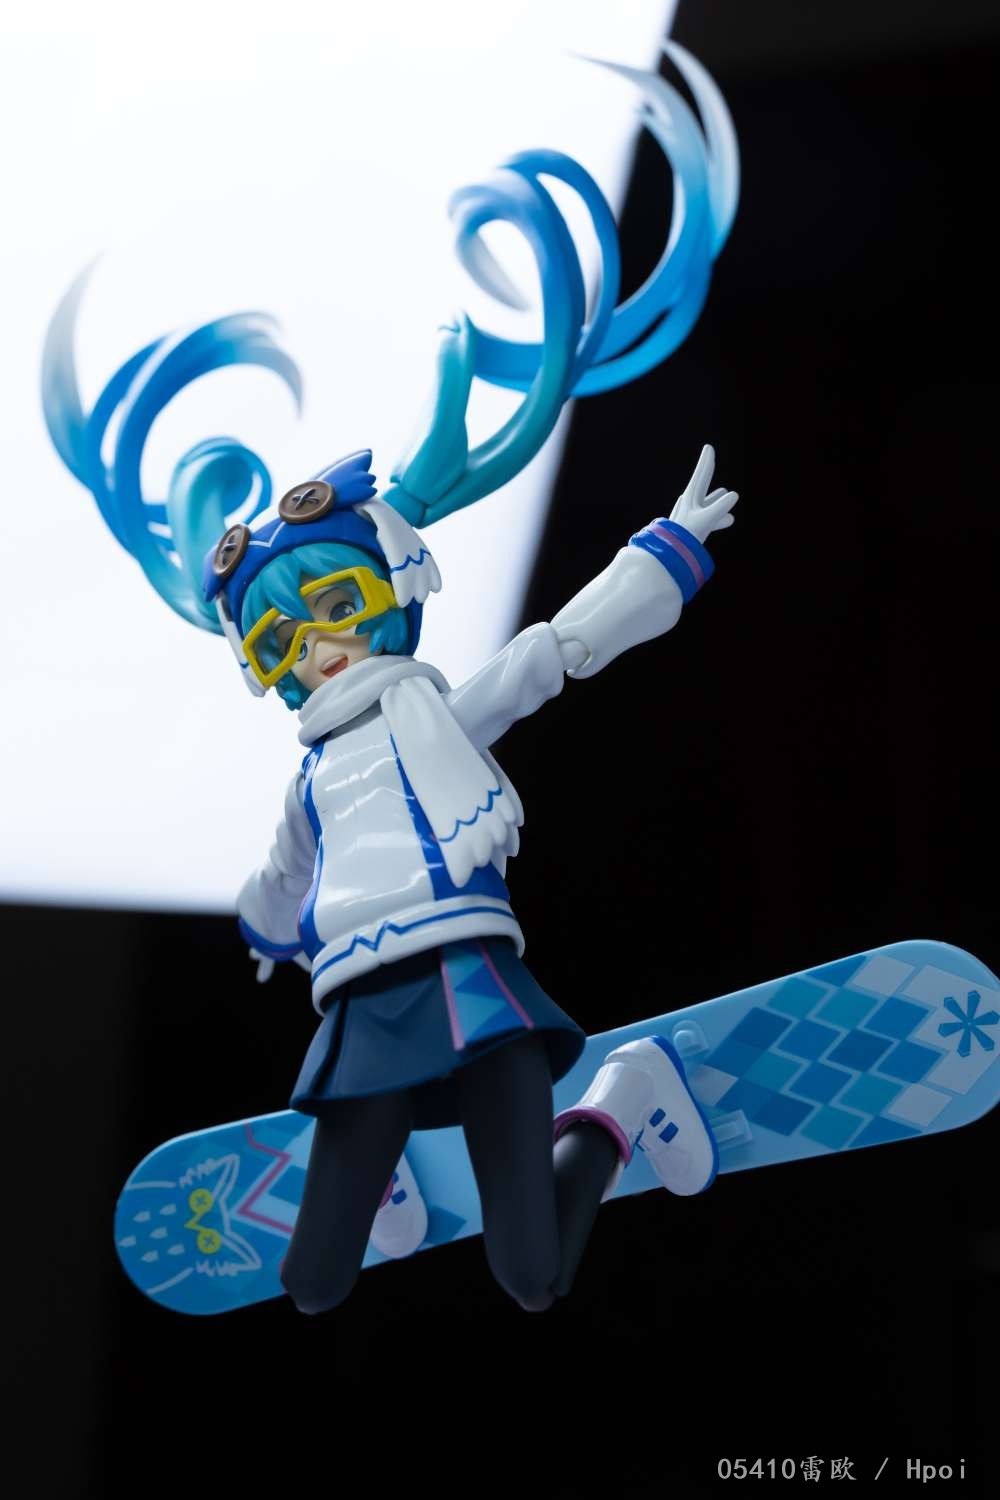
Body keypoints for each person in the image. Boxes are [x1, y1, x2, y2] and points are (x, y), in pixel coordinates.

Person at [205, 444, 737, 1312]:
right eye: (280, 641)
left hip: (469, 986)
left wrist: (664, 553)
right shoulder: (311, 778)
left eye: (339, 606)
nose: (319, 646)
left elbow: (550, 653)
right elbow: (283, 870)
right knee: (311, 1282)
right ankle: (390, 1171)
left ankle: (625, 1099)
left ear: (387, 595)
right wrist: (264, 929)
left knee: (533, 1276)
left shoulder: (437, 718)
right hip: (361, 1009)